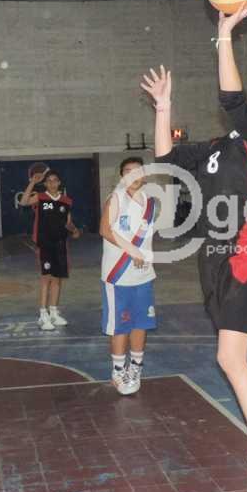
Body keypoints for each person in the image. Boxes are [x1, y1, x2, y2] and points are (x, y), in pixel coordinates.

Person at [143, 1, 247, 492]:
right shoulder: (220, 146)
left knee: (228, 356)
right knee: (244, 357)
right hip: (215, 257)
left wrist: (225, 34)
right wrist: (163, 108)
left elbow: (231, 99)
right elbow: (165, 157)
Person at [99, 156, 157, 396]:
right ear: (122, 176)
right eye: (128, 171)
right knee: (120, 326)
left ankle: (136, 367)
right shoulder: (115, 199)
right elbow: (105, 230)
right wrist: (132, 250)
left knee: (141, 323)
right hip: (118, 274)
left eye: (138, 171)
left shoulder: (150, 203)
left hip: (144, 274)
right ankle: (117, 371)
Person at [20, 169, 81, 330]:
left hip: (60, 244)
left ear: (59, 183)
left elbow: (68, 222)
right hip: (45, 243)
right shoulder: (40, 198)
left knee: (57, 279)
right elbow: (24, 202)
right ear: (45, 184)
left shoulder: (66, 201)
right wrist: (33, 182)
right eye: (49, 181)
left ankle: (53, 313)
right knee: (46, 278)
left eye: (55, 180)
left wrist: (74, 230)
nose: (52, 183)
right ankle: (43, 315)